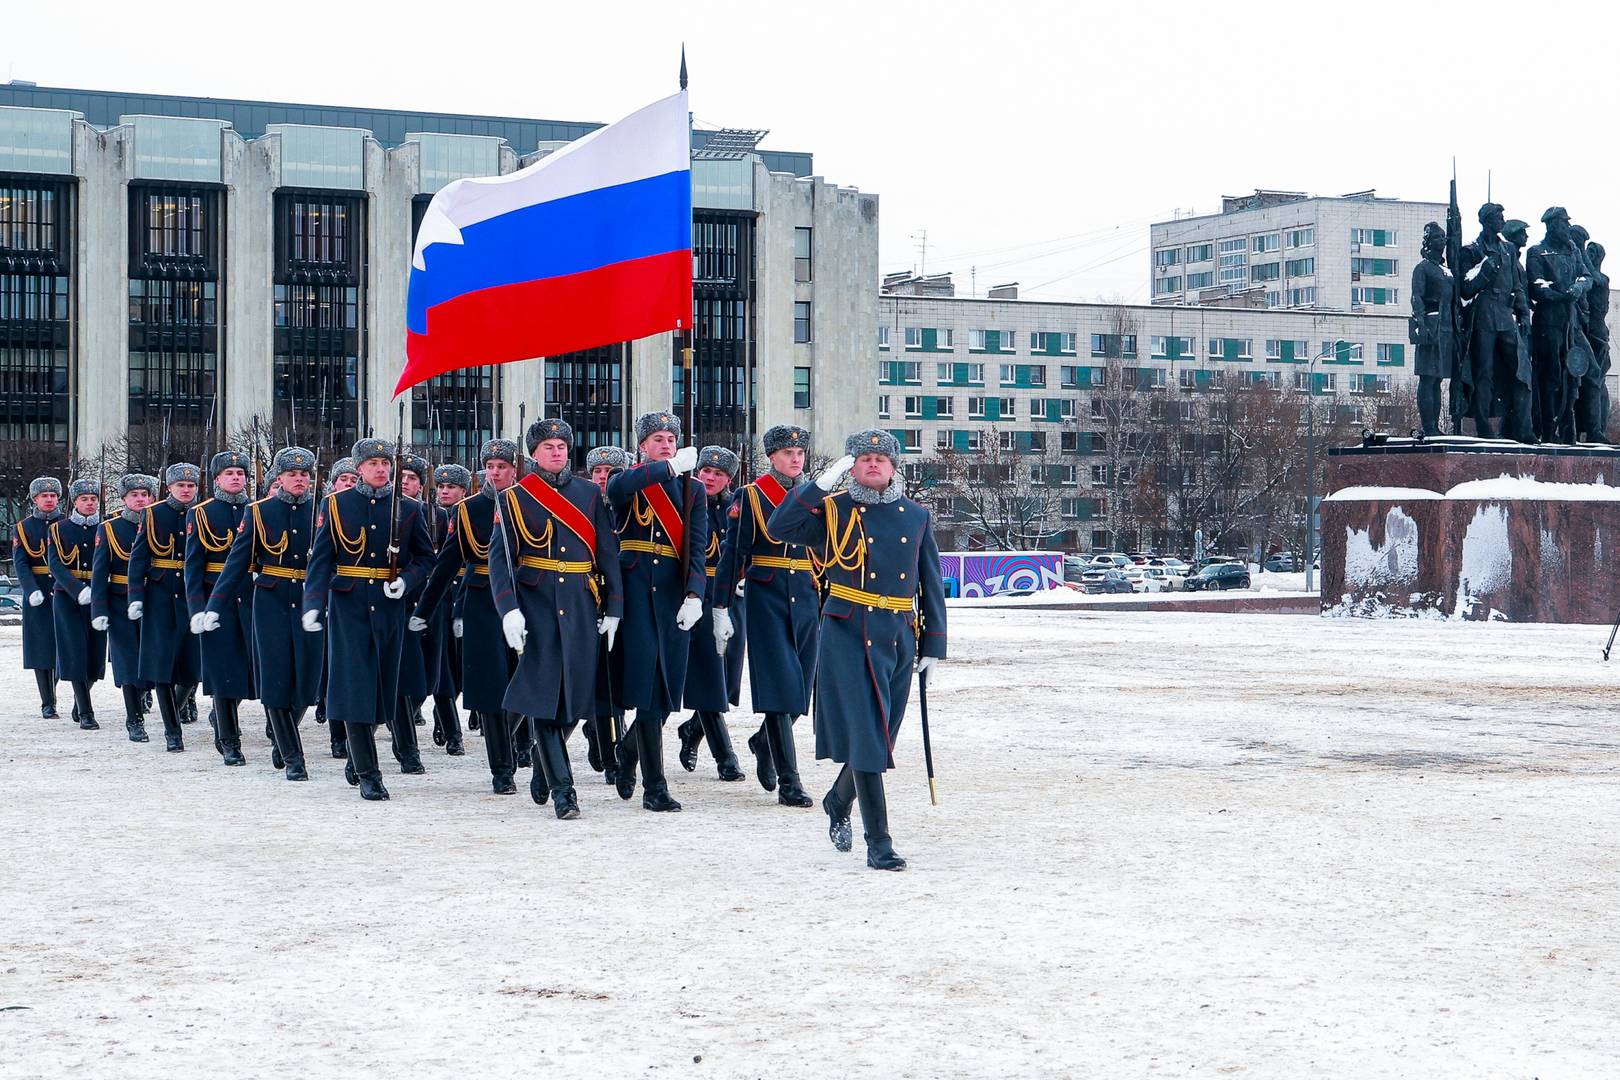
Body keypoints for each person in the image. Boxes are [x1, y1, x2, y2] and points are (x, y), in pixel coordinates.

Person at [768, 431, 947, 871]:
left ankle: (838, 798)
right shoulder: (833, 509)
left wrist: (933, 644)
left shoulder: (916, 515)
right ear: (852, 467)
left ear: (893, 467)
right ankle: (879, 842)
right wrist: (817, 485)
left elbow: (931, 583)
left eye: (880, 459)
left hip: (899, 634)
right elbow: (779, 528)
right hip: (848, 630)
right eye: (863, 458)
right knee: (869, 737)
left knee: (882, 736)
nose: (872, 465)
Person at [489, 418, 623, 819]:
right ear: (533, 453)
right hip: (538, 605)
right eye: (548, 446)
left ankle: (544, 763)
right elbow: (501, 559)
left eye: (562, 445)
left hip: (582, 604)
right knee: (546, 699)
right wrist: (508, 609)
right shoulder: (513, 498)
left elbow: (607, 552)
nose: (557, 452)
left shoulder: (587, 493)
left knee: (574, 702)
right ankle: (565, 792)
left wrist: (614, 607)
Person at [302, 438, 435, 801]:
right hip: (349, 606)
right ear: (358, 468)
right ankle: (368, 772)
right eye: (372, 462)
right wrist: (313, 602)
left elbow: (425, 558)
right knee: (355, 685)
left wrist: (406, 582)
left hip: (389, 606)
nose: (380, 468)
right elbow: (322, 559)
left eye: (384, 462)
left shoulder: (408, 508)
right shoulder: (337, 505)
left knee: (382, 691)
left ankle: (359, 752)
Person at [605, 411, 708, 812]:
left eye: (671, 438)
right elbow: (618, 489)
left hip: (671, 592)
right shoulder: (630, 480)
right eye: (657, 439)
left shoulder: (693, 489)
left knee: (667, 690)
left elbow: (696, 546)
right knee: (648, 687)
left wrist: (696, 594)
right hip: (633, 592)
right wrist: (668, 467)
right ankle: (655, 786)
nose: (666, 443)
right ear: (643, 446)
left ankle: (629, 749)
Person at [712, 424, 819, 807]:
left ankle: (763, 740)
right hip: (767, 594)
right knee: (780, 688)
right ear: (772, 457)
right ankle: (790, 781)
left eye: (800, 453)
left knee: (801, 691)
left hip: (807, 595)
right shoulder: (751, 496)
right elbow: (734, 553)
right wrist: (720, 605)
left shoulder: (817, 496)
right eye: (787, 454)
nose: (795, 459)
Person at [207, 447, 322, 781]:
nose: (299, 479)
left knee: (307, 679)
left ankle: (283, 733)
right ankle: (292, 755)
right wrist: (215, 605)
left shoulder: (324, 511)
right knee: (275, 677)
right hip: (270, 601)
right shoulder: (259, 512)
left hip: (309, 601)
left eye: (304, 475)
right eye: (292, 474)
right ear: (280, 478)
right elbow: (236, 564)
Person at [414, 440, 522, 793]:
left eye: (502, 466)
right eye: (489, 467)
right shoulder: (468, 510)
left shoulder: (532, 502)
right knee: (491, 689)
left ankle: (519, 740)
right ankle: (501, 769)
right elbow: (447, 564)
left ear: (514, 469)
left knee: (527, 681)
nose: (495, 473)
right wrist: (424, 610)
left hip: (526, 601)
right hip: (482, 602)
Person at [677, 445, 746, 781]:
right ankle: (725, 757)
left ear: (728, 479)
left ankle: (692, 729)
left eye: (718, 474)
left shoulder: (737, 508)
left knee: (728, 680)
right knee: (709, 675)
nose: (709, 477)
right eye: (705, 471)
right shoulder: (687, 502)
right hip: (698, 595)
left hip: (731, 595)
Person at [185, 450, 257, 766]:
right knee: (224, 673)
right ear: (217, 479)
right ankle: (229, 740)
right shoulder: (200, 514)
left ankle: (223, 716)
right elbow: (193, 566)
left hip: (253, 598)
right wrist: (198, 609)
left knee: (249, 671)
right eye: (229, 473)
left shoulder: (256, 510)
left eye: (240, 473)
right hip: (217, 600)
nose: (236, 478)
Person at [128, 463, 203, 751]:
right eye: (180, 485)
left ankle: (177, 706)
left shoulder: (203, 513)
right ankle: (173, 730)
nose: (186, 490)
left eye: (191, 485)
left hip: (193, 595)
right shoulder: (153, 514)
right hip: (159, 594)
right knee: (162, 666)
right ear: (169, 487)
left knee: (192, 666)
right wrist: (135, 595)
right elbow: (139, 557)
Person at [1458, 203, 1534, 442]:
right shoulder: (1470, 251)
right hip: (1483, 317)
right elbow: (1464, 291)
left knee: (1522, 372)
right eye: (1499, 217)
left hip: (1506, 316)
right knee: (1483, 374)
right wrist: (1483, 274)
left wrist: (1523, 313)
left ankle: (1523, 428)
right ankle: (1483, 428)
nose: (1502, 221)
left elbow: (1517, 285)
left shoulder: (1508, 249)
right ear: (1487, 220)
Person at [92, 474, 158, 742]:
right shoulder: (109, 529)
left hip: (154, 599)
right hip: (120, 600)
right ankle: (134, 719)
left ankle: (148, 693)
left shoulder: (160, 523)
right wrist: (98, 609)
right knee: (128, 660)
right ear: (124, 499)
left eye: (145, 494)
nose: (140, 499)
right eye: (134, 495)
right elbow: (99, 572)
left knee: (153, 657)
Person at [386, 451, 437, 775]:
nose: (405, 483)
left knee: (414, 683)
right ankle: (404, 750)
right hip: (358, 605)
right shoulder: (344, 507)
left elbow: (426, 558)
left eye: (411, 479)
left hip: (408, 604)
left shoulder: (415, 511)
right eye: (400, 477)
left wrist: (407, 581)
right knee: (371, 682)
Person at [582, 444, 631, 785]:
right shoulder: (579, 504)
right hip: (589, 597)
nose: (603, 478)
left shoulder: (630, 504)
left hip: (627, 598)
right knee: (601, 679)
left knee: (620, 676)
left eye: (611, 473)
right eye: (598, 472)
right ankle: (607, 746)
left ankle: (613, 736)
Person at [1527, 207, 1594, 443]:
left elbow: (1587, 277)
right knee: (1550, 377)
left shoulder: (1572, 250)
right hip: (1548, 323)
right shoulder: (1537, 252)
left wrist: (1578, 287)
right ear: (1553, 225)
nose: (1567, 228)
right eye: (1564, 224)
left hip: (1570, 322)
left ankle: (1569, 432)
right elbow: (1536, 286)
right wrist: (1560, 295)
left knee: (1574, 377)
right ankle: (1548, 431)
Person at [417, 463, 470, 756]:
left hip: (464, 593)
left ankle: (443, 717)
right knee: (443, 667)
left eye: (452, 487)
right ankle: (452, 730)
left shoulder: (470, 513)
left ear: (463, 490)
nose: (445, 492)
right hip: (439, 596)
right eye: (441, 487)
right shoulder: (429, 516)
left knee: (459, 667)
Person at [48, 479, 108, 730]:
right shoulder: (58, 529)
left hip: (98, 597)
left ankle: (79, 699)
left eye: (93, 499)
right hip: (67, 598)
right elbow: (55, 564)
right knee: (75, 652)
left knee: (95, 657)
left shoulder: (106, 529)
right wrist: (76, 589)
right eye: (84, 499)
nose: (90, 503)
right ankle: (86, 711)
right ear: (75, 502)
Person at [13, 477, 63, 719]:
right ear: (35, 499)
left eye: (53, 495)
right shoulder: (24, 528)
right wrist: (31, 590)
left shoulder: (67, 524)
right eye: (45, 496)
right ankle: (47, 701)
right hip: (38, 591)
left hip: (65, 590)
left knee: (65, 645)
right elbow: (21, 564)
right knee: (41, 648)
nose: (50, 499)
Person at [1409, 222, 1454, 437]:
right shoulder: (1423, 268)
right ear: (1428, 242)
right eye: (1438, 238)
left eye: (1444, 238)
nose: (1442, 242)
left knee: (1437, 379)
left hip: (1446, 327)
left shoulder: (1446, 271)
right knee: (1428, 378)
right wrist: (1422, 323)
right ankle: (1429, 426)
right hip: (1431, 324)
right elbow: (1416, 297)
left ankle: (1435, 426)